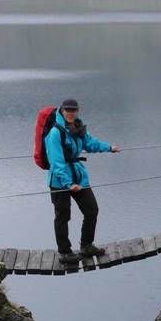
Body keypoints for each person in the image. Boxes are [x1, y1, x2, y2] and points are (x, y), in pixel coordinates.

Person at [45, 98, 120, 264]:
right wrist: (68, 184)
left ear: (77, 111)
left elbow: (90, 143)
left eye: (74, 110)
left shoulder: (77, 127)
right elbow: (56, 163)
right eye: (68, 110)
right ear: (62, 111)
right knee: (63, 216)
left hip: (78, 178)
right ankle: (65, 252)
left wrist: (109, 148)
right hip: (59, 182)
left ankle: (86, 246)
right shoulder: (55, 133)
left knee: (92, 209)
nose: (71, 113)